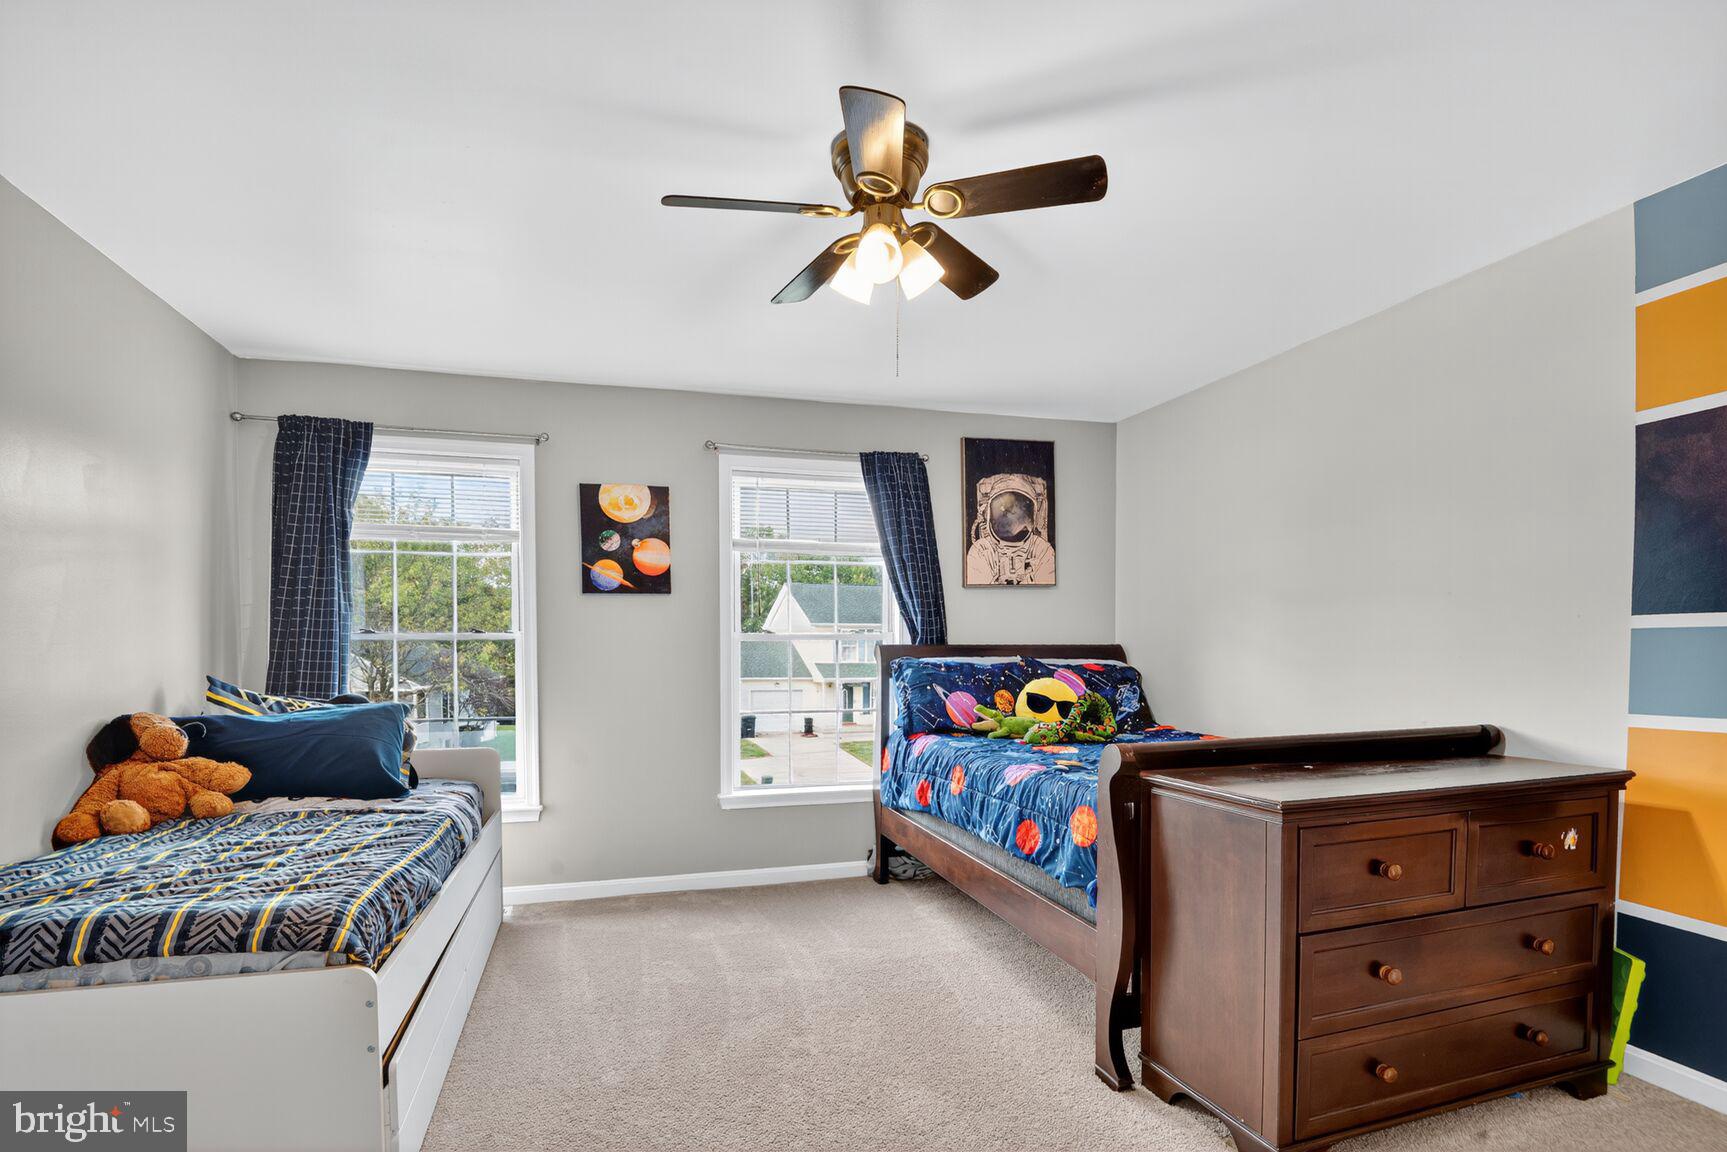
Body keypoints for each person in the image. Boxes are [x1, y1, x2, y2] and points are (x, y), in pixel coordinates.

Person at [965, 472, 1054, 585]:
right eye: (1003, 511)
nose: (1008, 519)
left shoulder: (1041, 549)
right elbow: (978, 588)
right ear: (988, 515)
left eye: (1016, 511)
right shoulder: (981, 550)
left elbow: (1047, 585)